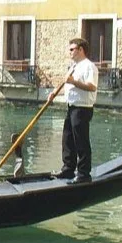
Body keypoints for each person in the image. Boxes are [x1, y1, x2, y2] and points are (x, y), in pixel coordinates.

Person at [50, 37, 99, 184]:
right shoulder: (73, 66)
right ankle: (68, 169)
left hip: (82, 108)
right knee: (68, 139)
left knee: (81, 141)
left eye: (72, 49)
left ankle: (84, 174)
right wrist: (54, 92)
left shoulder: (89, 67)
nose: (69, 52)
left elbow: (92, 87)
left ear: (81, 50)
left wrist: (73, 82)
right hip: (71, 107)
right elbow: (67, 84)